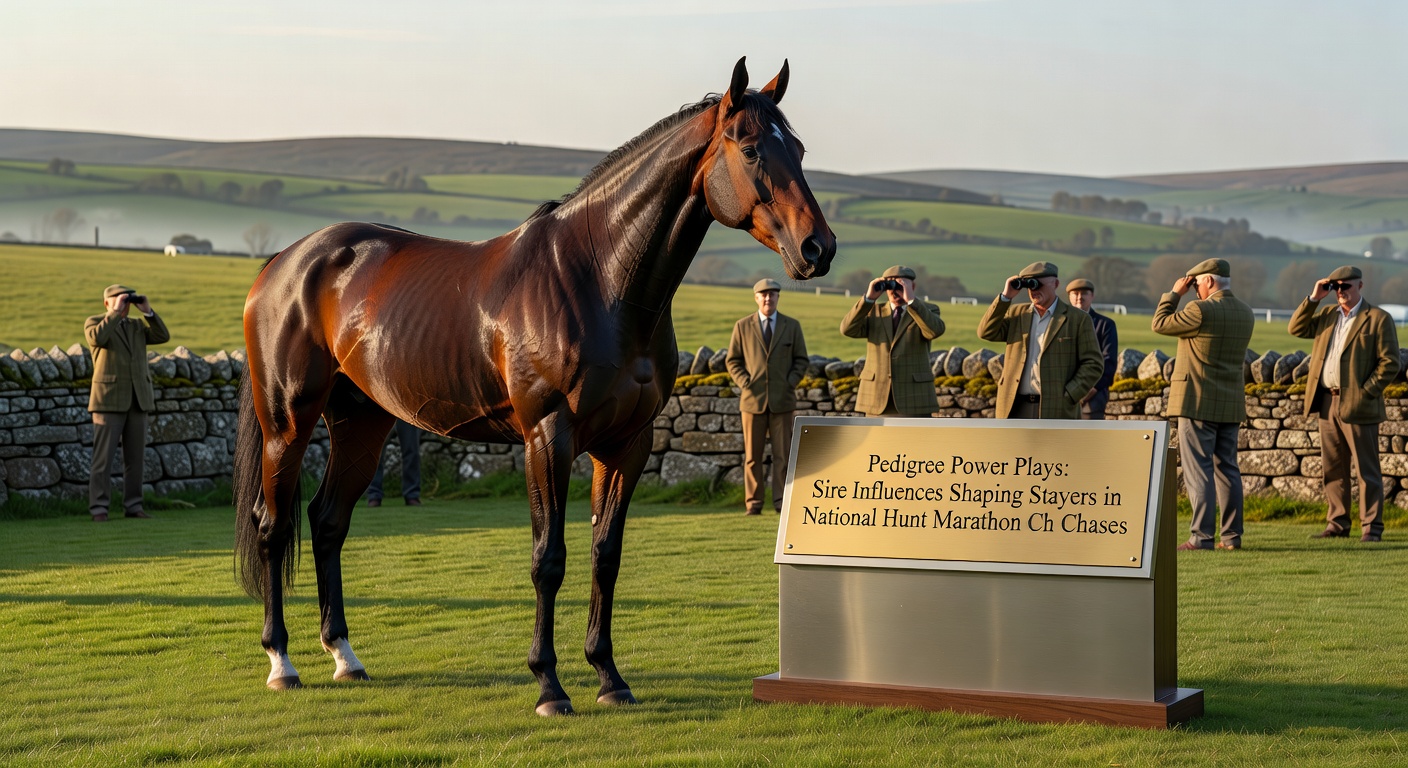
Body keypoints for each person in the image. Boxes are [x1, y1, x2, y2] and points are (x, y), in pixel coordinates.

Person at [1288, 266, 1401, 542]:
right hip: (1327, 401)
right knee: (1333, 468)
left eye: (1346, 286)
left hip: (1359, 405)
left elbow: (1390, 362)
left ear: (1360, 286)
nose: (1341, 292)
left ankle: (1371, 528)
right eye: (1336, 287)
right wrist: (1314, 298)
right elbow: (1296, 328)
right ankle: (1337, 524)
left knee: (1367, 470)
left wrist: (1366, 392)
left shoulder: (1377, 318)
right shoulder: (1327, 315)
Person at [1151, 258, 1254, 551]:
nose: (1195, 289)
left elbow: (1159, 324)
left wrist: (1173, 294)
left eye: (1196, 283)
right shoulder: (1246, 313)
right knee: (1228, 470)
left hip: (1196, 402)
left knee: (1199, 471)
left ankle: (1201, 537)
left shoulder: (1200, 310)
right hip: (1230, 402)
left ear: (1209, 280)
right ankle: (1232, 537)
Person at [85, 284, 170, 522]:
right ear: (106, 302)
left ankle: (134, 506)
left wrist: (147, 312)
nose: (125, 305)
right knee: (103, 459)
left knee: (135, 459)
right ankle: (99, 508)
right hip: (108, 401)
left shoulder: (136, 326)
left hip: (138, 399)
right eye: (120, 300)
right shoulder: (94, 322)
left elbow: (162, 336)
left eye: (127, 301)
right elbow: (97, 338)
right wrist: (114, 313)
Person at [726, 279, 810, 515]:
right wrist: (745, 382)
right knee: (752, 457)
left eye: (772, 294)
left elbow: (801, 360)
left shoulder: (791, 326)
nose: (767, 298)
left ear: (777, 298)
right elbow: (733, 360)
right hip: (752, 403)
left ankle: (782, 503)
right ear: (756, 298)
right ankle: (753, 504)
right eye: (763, 295)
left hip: (783, 402)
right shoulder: (742, 326)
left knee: (782, 456)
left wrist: (790, 382)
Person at [979, 262, 1103, 420]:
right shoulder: (1017, 314)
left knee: (1054, 446)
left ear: (1055, 284)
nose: (1034, 290)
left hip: (1057, 408)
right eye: (1030, 286)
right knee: (1013, 446)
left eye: (1038, 285)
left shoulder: (1078, 319)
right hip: (1015, 407)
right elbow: (986, 332)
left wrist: (1070, 394)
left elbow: (1093, 364)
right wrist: (1005, 297)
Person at [840, 265, 945, 416]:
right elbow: (847, 329)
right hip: (876, 397)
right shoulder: (873, 311)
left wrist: (912, 302)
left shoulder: (928, 310)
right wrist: (868, 299)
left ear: (912, 286)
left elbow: (934, 331)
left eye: (899, 285)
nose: (894, 290)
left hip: (914, 398)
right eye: (889, 285)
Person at [1066, 278, 1119, 420]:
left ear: (1092, 296)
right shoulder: (1059, 323)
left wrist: (1089, 390)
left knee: (1089, 441)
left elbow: (1109, 362)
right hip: (1062, 399)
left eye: (1084, 293)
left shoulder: (1106, 325)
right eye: (1075, 293)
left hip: (1092, 400)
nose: (1079, 297)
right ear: (1069, 296)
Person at [365, 420, 423, 507]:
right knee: (375, 450)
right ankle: (374, 495)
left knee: (411, 449)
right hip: (382, 407)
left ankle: (412, 495)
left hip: (406, 408)